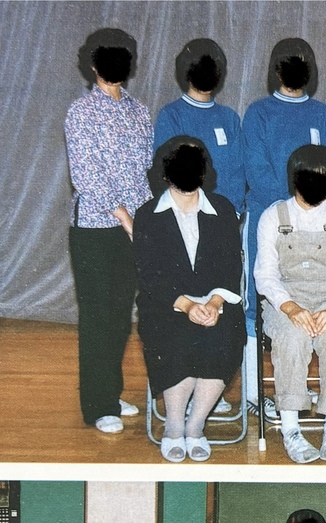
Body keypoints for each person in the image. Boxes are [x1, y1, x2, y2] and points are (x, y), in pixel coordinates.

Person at [242, 38, 326, 412]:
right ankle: (255, 393)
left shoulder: (322, 115)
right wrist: (291, 213)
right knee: (261, 302)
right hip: (270, 225)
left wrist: (311, 213)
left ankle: (298, 388)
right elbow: (257, 171)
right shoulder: (258, 113)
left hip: (316, 230)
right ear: (276, 69)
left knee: (313, 301)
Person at [133, 140, 245, 463]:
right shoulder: (147, 215)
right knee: (177, 337)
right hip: (167, 304)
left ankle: (195, 427)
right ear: (165, 174)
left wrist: (214, 303)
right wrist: (186, 305)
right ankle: (173, 427)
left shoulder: (223, 210)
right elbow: (149, 275)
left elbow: (231, 267)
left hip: (215, 303)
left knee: (223, 335)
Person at [65, 28, 153, 434]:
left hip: (134, 227)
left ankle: (111, 392)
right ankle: (98, 404)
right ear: (93, 64)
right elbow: (86, 176)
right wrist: (125, 217)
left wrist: (146, 220)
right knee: (98, 316)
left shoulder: (139, 111)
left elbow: (145, 171)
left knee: (120, 315)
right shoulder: (81, 112)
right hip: (96, 229)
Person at [254, 145, 326, 463]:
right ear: (294, 179)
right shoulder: (273, 216)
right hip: (286, 299)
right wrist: (290, 308)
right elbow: (265, 276)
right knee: (292, 338)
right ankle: (291, 430)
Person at [154, 38, 246, 216]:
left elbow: (238, 172)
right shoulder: (171, 115)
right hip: (183, 214)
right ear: (186, 71)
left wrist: (233, 211)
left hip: (224, 214)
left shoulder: (229, 118)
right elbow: (164, 171)